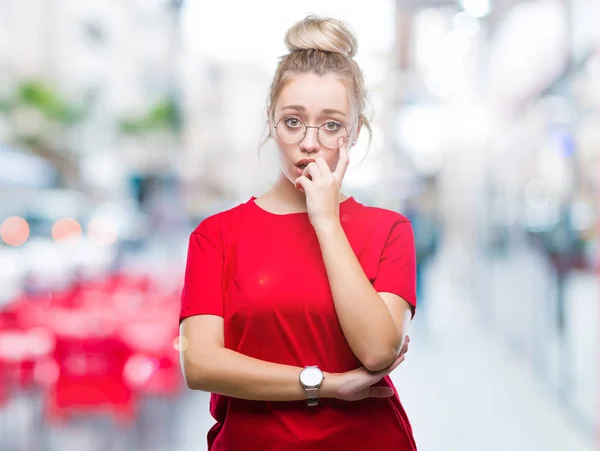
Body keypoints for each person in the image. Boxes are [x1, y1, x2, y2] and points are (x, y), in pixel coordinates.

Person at [179, 15, 418, 451]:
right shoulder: (217, 235)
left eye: (330, 125)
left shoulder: (389, 231)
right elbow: (199, 363)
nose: (310, 143)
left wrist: (326, 221)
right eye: (293, 121)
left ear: (354, 133)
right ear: (272, 123)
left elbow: (378, 351)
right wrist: (323, 384)